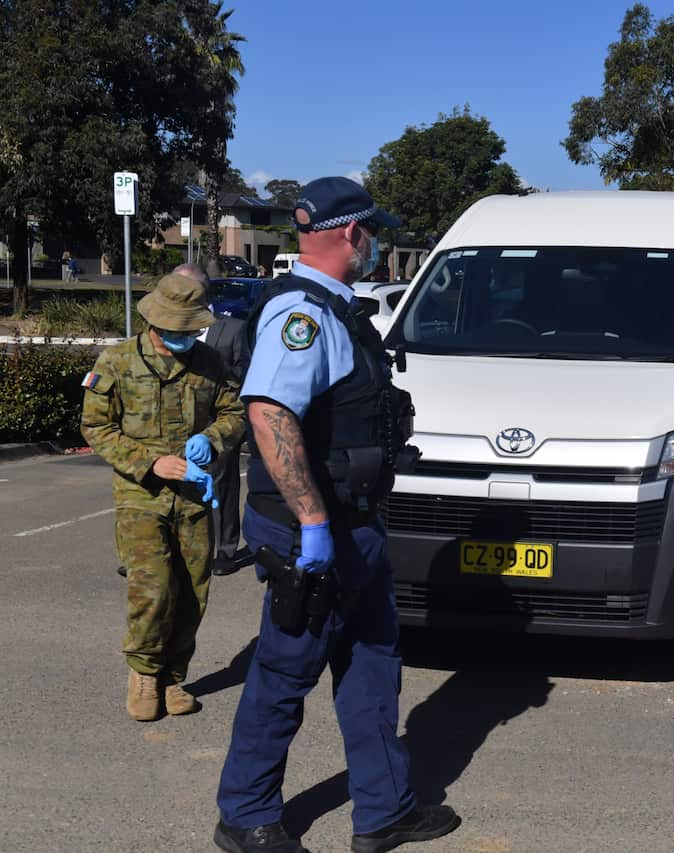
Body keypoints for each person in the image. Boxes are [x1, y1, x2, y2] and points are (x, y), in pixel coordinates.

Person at [214, 177, 459, 853]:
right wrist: (314, 523)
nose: (377, 240)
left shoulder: (337, 309)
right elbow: (268, 410)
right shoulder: (303, 316)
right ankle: (245, 812)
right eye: (372, 230)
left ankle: (384, 809)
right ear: (353, 232)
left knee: (374, 660)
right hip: (312, 532)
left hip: (356, 526)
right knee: (287, 669)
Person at [80, 273, 245, 721]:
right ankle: (144, 674)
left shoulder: (209, 362)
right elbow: (95, 427)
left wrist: (212, 439)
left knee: (193, 592)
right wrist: (148, 463)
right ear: (154, 322)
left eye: (191, 331)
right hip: (141, 497)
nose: (184, 338)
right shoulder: (117, 362)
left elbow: (235, 412)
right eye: (177, 331)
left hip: (192, 496)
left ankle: (174, 677)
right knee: (151, 589)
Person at [175, 262, 252, 576]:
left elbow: (247, 374)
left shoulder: (232, 329)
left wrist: (214, 369)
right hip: (176, 420)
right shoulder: (168, 328)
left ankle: (224, 548)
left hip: (219, 420)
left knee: (221, 484)